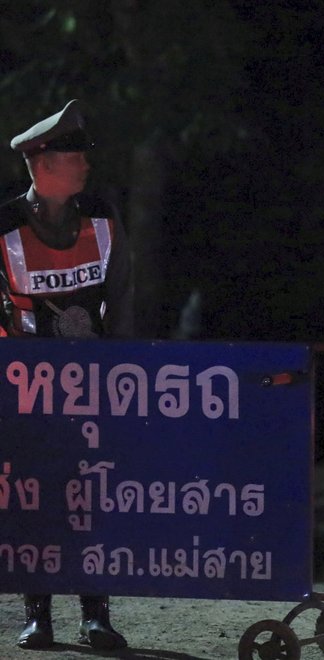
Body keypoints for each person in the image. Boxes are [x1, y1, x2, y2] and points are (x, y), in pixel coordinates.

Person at [1, 100, 133, 650]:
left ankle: (95, 614)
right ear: (41, 164)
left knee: (91, 497)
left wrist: (121, 367)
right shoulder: (4, 226)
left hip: (93, 383)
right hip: (25, 388)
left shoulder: (101, 215)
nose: (84, 164)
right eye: (73, 155)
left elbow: (123, 294)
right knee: (35, 498)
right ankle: (38, 614)